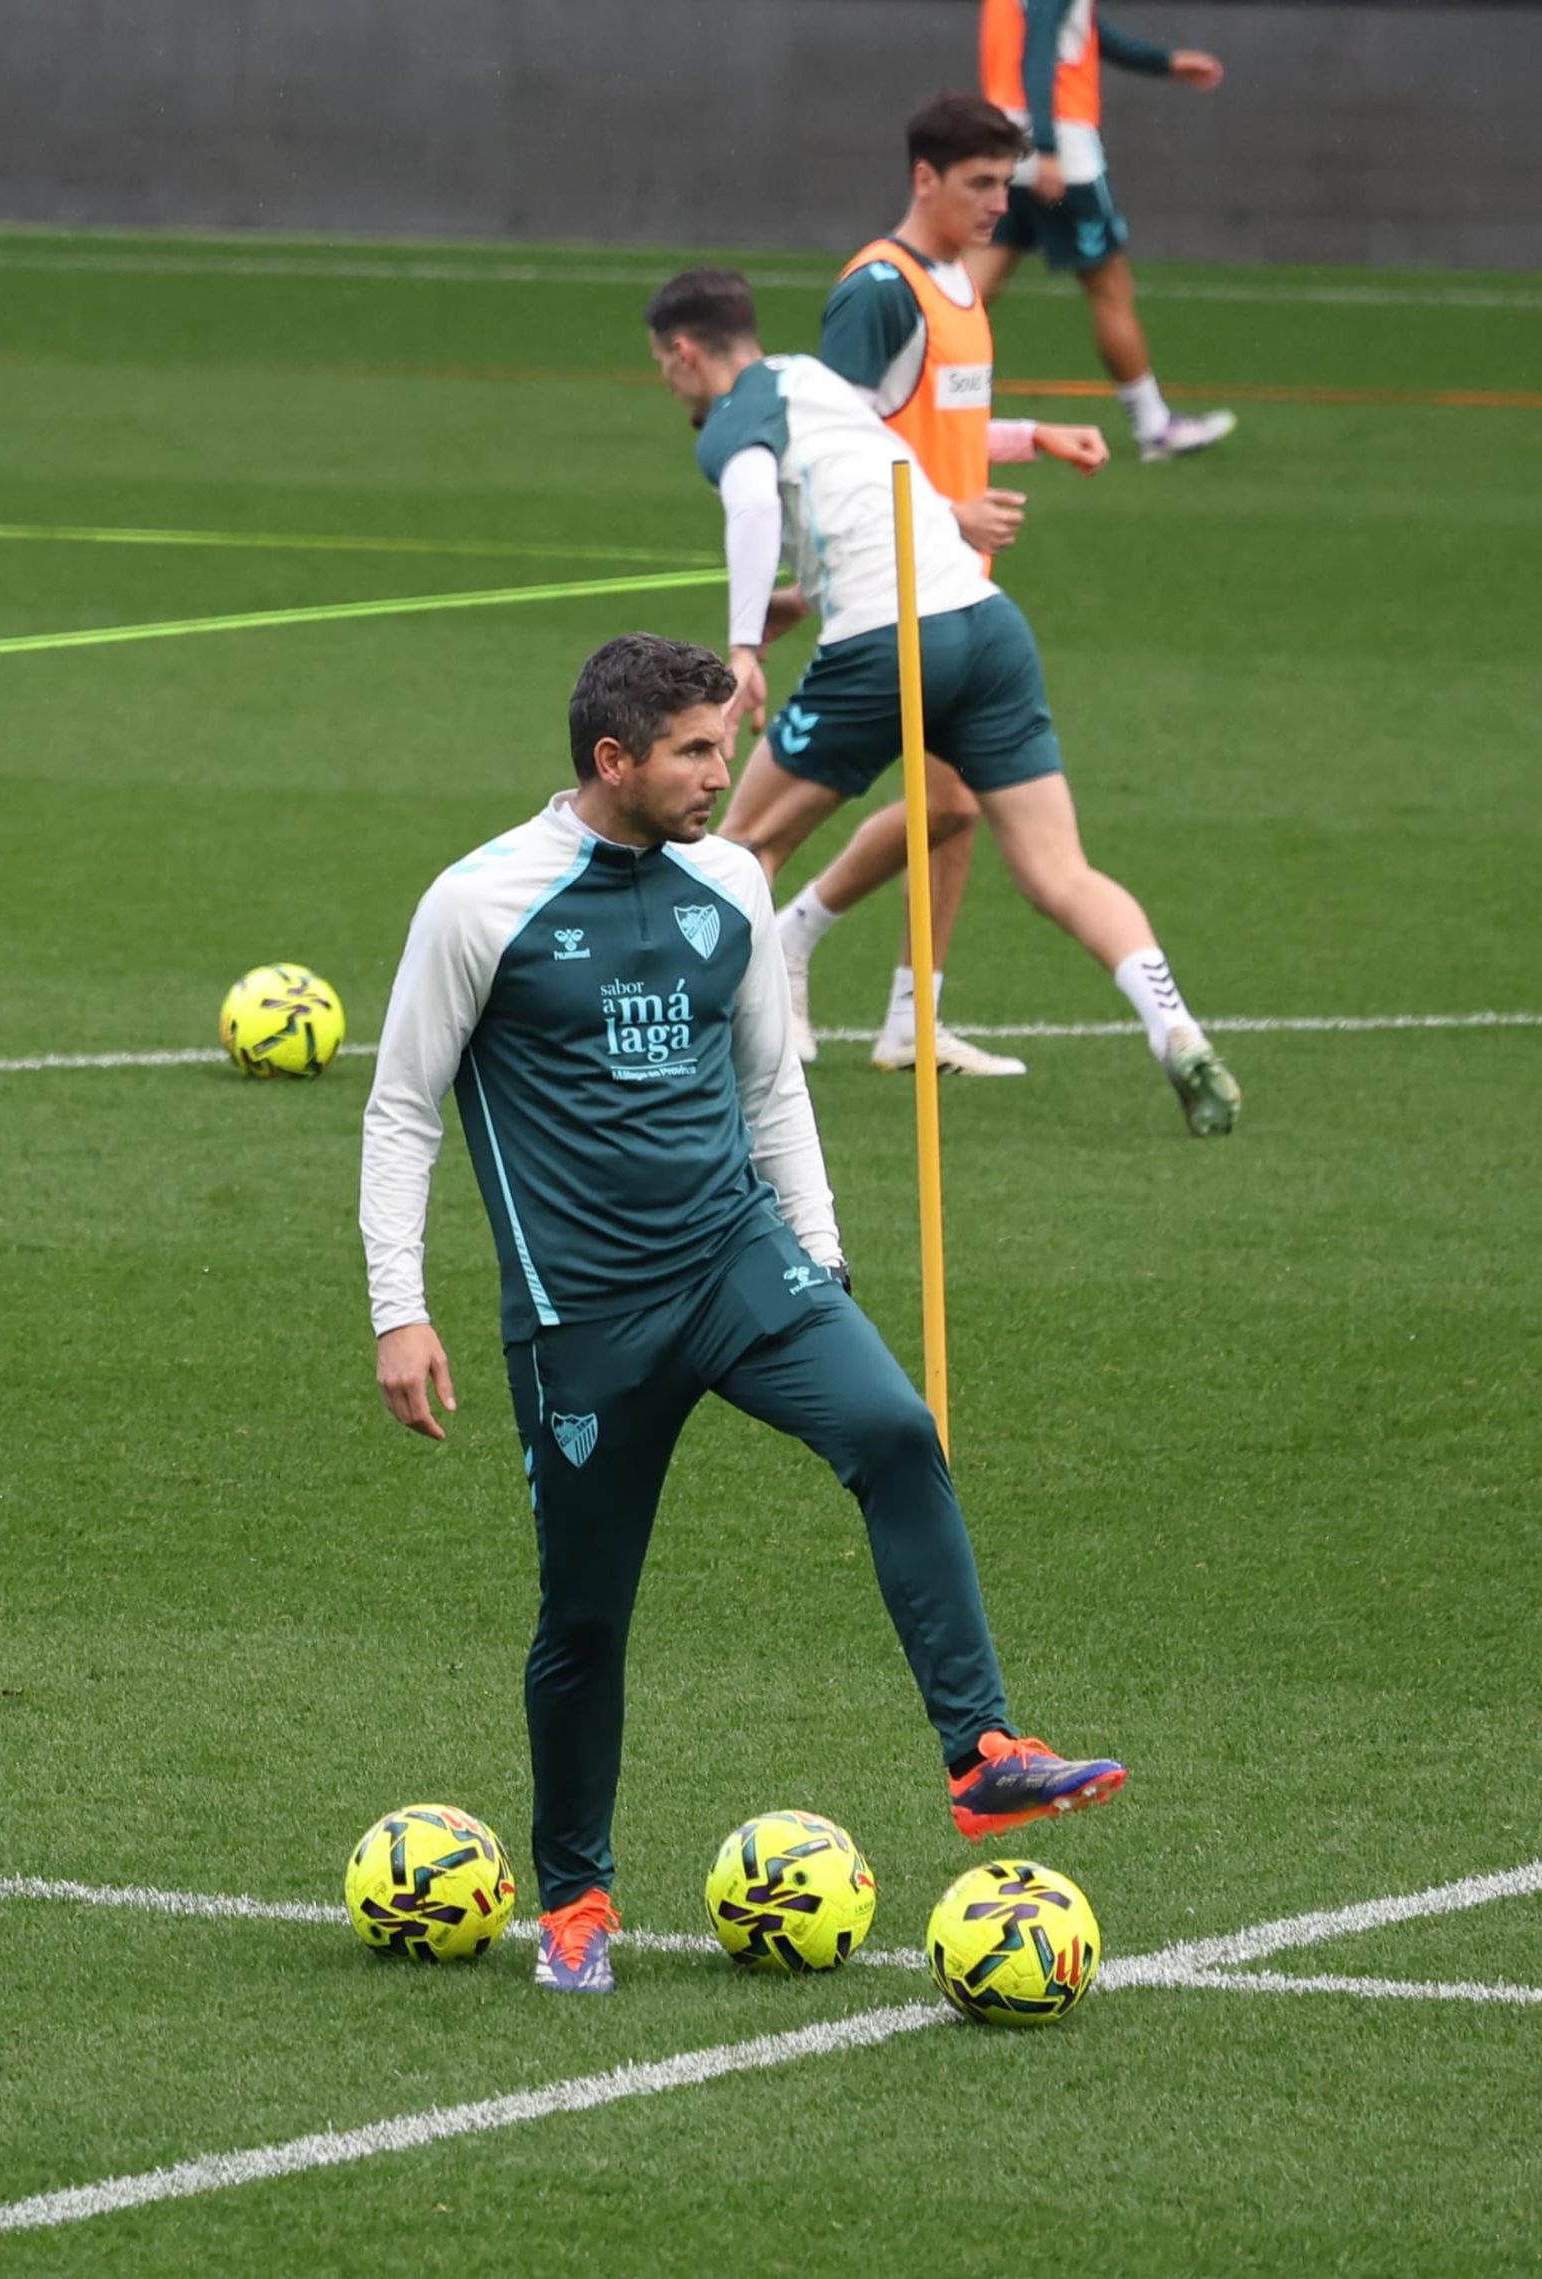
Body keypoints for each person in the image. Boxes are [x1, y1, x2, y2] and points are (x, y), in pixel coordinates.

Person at [360, 632, 1129, 1995]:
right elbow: (405, 1107)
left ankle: (982, 1750)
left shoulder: (729, 884)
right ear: (615, 761)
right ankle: (579, 1893)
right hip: (584, 1317)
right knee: (586, 1617)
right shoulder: (479, 904)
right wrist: (398, 1309)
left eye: (727, 744)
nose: (730, 774)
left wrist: (822, 1264)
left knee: (896, 1426)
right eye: (698, 752)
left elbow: (773, 1088)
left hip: (739, 1264)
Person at [643, 265, 1239, 1135]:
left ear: (687, 353)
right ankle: (1177, 1029)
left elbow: (749, 506)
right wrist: (803, 601)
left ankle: (695, 1064)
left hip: (886, 644)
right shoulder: (817, 383)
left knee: (740, 846)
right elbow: (896, 497)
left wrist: (741, 644)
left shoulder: (733, 420)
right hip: (987, 625)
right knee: (1057, 870)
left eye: (665, 367)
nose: (670, 384)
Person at [779, 91, 1109, 1079]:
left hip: (955, 584)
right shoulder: (879, 291)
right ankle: (785, 945)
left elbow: (936, 424)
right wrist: (947, 515)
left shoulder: (956, 284)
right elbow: (832, 435)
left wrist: (1029, 436)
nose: (999, 204)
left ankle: (908, 1020)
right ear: (923, 178)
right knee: (930, 807)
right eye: (980, 183)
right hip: (891, 585)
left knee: (953, 810)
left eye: (1004, 184)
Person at [972, 0, 1235, 463]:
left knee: (971, 287)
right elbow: (1039, 53)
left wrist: (1165, 62)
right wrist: (1048, 149)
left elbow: (1084, 32)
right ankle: (1154, 428)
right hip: (1060, 147)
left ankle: (893, 395)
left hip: (1004, 137)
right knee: (1110, 290)